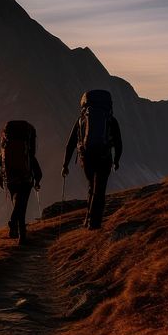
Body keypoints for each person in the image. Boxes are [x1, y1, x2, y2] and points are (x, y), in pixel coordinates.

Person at [62, 90, 123, 230]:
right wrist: (116, 160)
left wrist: (65, 165)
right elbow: (119, 143)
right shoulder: (111, 120)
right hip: (104, 157)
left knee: (91, 186)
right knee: (99, 190)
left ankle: (88, 219)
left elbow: (70, 144)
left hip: (87, 159)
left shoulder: (81, 120)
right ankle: (94, 224)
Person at [0, 121, 42, 243]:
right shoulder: (28, 153)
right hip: (26, 181)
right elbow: (38, 171)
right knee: (22, 206)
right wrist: (37, 181)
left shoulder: (5, 154)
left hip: (11, 181)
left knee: (17, 204)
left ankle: (17, 231)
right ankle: (19, 232)